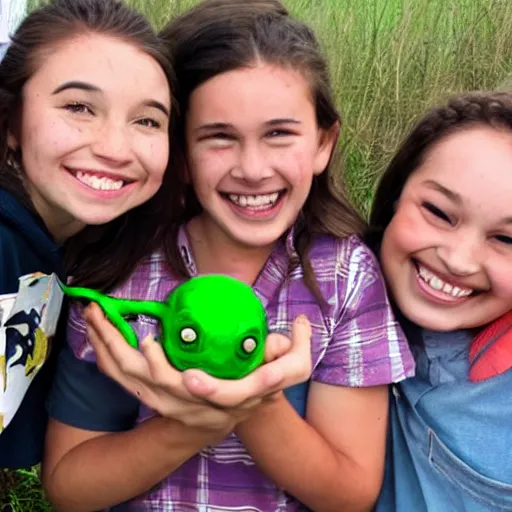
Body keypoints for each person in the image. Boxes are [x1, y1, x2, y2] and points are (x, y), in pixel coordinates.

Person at [42, 1, 414, 511]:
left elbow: (348, 494)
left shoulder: (345, 279)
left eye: (279, 134)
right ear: (181, 154)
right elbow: (69, 487)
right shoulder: (121, 277)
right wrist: (193, 424)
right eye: (219, 137)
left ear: (324, 142)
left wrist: (254, 403)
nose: (253, 168)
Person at [0, 0, 175, 469]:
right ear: (11, 119)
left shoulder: (60, 245)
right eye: (78, 107)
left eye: (146, 120)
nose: (115, 148)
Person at [367, 92, 512, 511]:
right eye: (438, 211)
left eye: (505, 238)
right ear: (396, 193)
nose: (458, 259)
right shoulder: (323, 305)